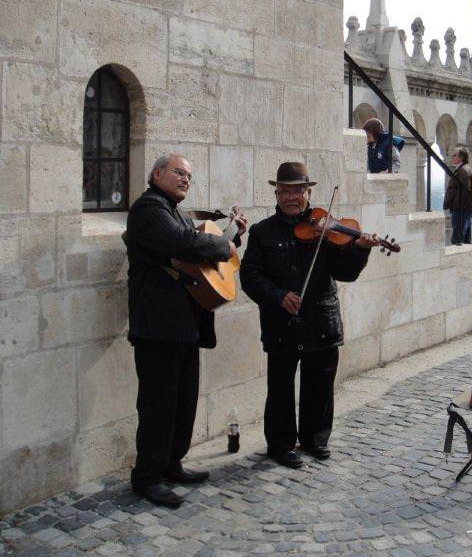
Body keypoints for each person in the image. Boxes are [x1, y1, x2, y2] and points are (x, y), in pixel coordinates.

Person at [239, 162, 380, 469]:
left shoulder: (326, 228)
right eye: (286, 190)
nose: (292, 197)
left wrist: (361, 250)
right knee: (280, 389)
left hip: (320, 319)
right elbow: (249, 275)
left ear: (309, 192)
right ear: (276, 193)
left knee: (320, 383)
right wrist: (277, 296)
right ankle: (281, 445)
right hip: (282, 322)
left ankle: (316, 439)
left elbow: (345, 273)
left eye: (298, 190)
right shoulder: (261, 232)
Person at [125, 153, 246, 507]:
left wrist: (231, 237)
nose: (185, 180)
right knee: (158, 405)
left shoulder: (174, 211)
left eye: (189, 176)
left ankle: (172, 464)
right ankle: (147, 477)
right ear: (157, 173)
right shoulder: (149, 209)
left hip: (184, 323)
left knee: (182, 402)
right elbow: (186, 245)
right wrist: (223, 245)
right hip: (157, 326)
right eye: (179, 173)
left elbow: (198, 256)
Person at [443, 145, 472, 244]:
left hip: (461, 209)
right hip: (462, 209)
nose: (452, 157)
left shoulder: (463, 171)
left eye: (454, 155)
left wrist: (456, 206)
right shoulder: (464, 169)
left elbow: (464, 192)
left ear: (461, 157)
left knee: (458, 239)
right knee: (464, 238)